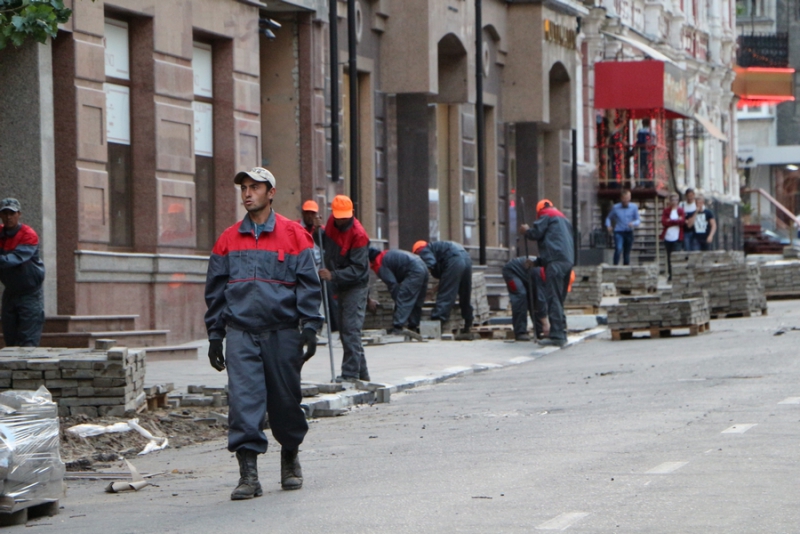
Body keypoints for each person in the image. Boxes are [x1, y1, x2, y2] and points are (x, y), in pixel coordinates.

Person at [204, 167, 322, 500]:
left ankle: (290, 456)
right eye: (243, 187)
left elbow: (309, 286)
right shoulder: (228, 239)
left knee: (285, 402)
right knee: (243, 402)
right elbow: (214, 290)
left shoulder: (294, 234)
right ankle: (248, 476)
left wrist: (311, 326)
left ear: (271, 192)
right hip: (240, 332)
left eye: (254, 187)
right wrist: (215, 334)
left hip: (282, 332)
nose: (247, 193)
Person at [320, 195, 371, 382]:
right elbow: (326, 244)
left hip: (355, 286)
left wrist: (333, 275)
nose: (341, 220)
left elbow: (358, 270)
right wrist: (317, 230)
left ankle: (350, 375)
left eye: (344, 216)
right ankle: (363, 376)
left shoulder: (359, 235)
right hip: (341, 283)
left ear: (352, 214)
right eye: (338, 216)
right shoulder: (332, 223)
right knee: (347, 331)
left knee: (350, 330)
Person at [519, 199, 574, 347]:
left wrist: (526, 231)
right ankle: (561, 331)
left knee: (553, 298)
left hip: (555, 264)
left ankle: (557, 336)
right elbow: (556, 246)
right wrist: (537, 262)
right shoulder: (563, 220)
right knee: (558, 299)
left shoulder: (546, 215)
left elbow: (536, 233)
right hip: (566, 262)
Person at [0, 198, 45, 348]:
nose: (8, 217)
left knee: (28, 342)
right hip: (10, 293)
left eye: (12, 213)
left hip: (29, 294)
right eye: (4, 213)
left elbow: (13, 260)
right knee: (10, 339)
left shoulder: (28, 234)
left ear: (19, 214)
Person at [412, 240, 474, 336]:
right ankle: (468, 323)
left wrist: (418, 279)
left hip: (455, 259)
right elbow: (448, 280)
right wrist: (433, 291)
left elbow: (430, 263)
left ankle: (437, 321)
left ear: (416, 252)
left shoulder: (424, 250)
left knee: (446, 295)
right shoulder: (438, 248)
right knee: (465, 293)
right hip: (466, 258)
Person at [368, 247, 429, 334]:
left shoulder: (379, 263)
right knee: (416, 300)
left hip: (414, 270)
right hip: (422, 265)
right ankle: (413, 326)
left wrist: (399, 302)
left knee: (404, 297)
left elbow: (392, 285)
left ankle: (397, 327)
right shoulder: (386, 255)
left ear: (371, 261)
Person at [299, 200, 338, 332]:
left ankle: (331, 324)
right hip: (302, 266)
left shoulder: (322, 231)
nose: (310, 216)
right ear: (303, 213)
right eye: (307, 213)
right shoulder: (296, 227)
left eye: (313, 213)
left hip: (319, 267)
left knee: (325, 294)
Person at [502, 256, 549, 341]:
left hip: (528, 274)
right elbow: (541, 300)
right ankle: (520, 332)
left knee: (534, 299)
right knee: (521, 296)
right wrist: (546, 323)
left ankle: (540, 331)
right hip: (512, 271)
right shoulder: (543, 275)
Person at [605, 190, 641, 266]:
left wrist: (633, 223)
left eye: (628, 198)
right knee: (618, 248)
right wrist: (608, 225)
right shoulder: (615, 207)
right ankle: (615, 266)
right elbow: (608, 218)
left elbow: (638, 219)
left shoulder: (634, 207)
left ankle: (626, 268)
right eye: (624, 198)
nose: (626, 200)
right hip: (619, 231)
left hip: (629, 232)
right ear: (621, 198)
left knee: (627, 252)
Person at [660, 192, 685, 282]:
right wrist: (676, 220)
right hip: (668, 237)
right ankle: (670, 275)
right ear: (669, 201)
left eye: (676, 200)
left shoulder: (681, 210)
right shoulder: (666, 211)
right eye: (672, 200)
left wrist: (671, 221)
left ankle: (676, 275)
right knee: (669, 257)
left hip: (677, 237)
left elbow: (682, 222)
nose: (674, 202)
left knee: (676, 256)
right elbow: (664, 222)